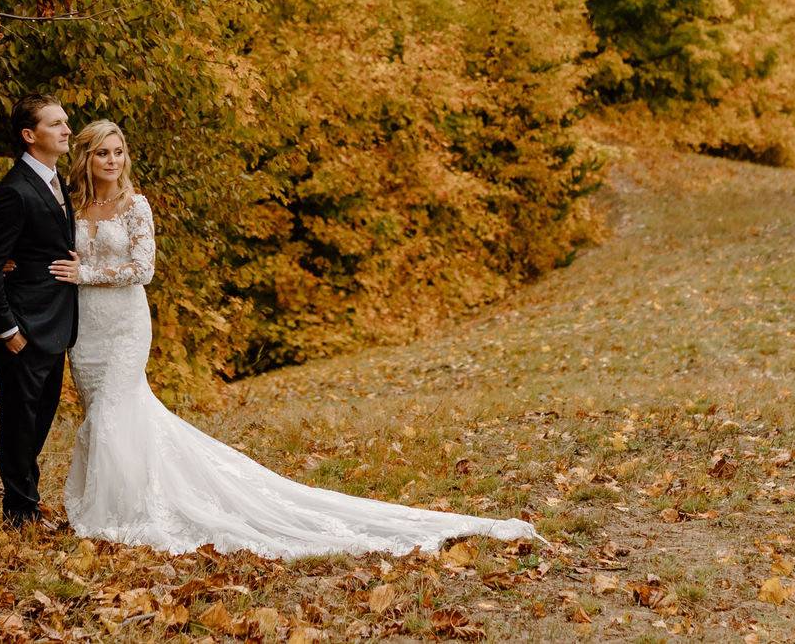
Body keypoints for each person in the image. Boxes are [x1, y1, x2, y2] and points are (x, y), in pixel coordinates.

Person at [49, 118, 544, 558]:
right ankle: (120, 498)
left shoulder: (137, 205)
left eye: (118, 152)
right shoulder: (73, 206)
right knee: (105, 411)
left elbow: (145, 268)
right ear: (86, 158)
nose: (112, 161)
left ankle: (125, 512)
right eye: (102, 153)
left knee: (117, 407)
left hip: (126, 324)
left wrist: (84, 274)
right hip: (86, 328)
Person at [0, 94, 77, 526]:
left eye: (66, 122)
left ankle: (28, 499)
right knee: (19, 421)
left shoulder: (56, 182)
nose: (67, 130)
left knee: (39, 418)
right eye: (56, 124)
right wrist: (7, 331)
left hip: (53, 325)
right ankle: (18, 512)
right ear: (30, 136)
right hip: (23, 330)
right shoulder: (14, 192)